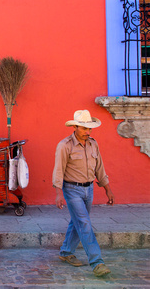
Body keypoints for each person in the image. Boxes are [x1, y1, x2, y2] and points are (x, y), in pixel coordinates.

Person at [52, 109, 115, 277]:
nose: (87, 132)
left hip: (89, 189)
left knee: (78, 221)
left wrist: (107, 188)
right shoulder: (65, 145)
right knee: (84, 223)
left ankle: (66, 252)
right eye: (84, 128)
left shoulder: (93, 144)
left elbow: (99, 168)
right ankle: (97, 262)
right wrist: (59, 193)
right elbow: (59, 170)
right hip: (72, 190)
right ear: (75, 127)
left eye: (89, 129)